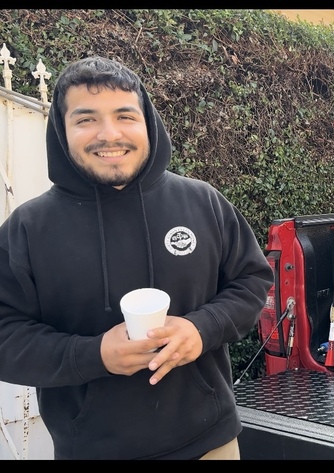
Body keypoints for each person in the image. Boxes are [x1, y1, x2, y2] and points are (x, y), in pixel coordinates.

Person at [0, 56, 274, 459]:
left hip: (209, 441)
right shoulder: (28, 229)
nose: (109, 134)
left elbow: (252, 281)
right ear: (61, 129)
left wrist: (201, 329)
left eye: (125, 116)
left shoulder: (202, 202)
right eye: (86, 119)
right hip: (92, 451)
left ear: (148, 122)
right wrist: (94, 355)